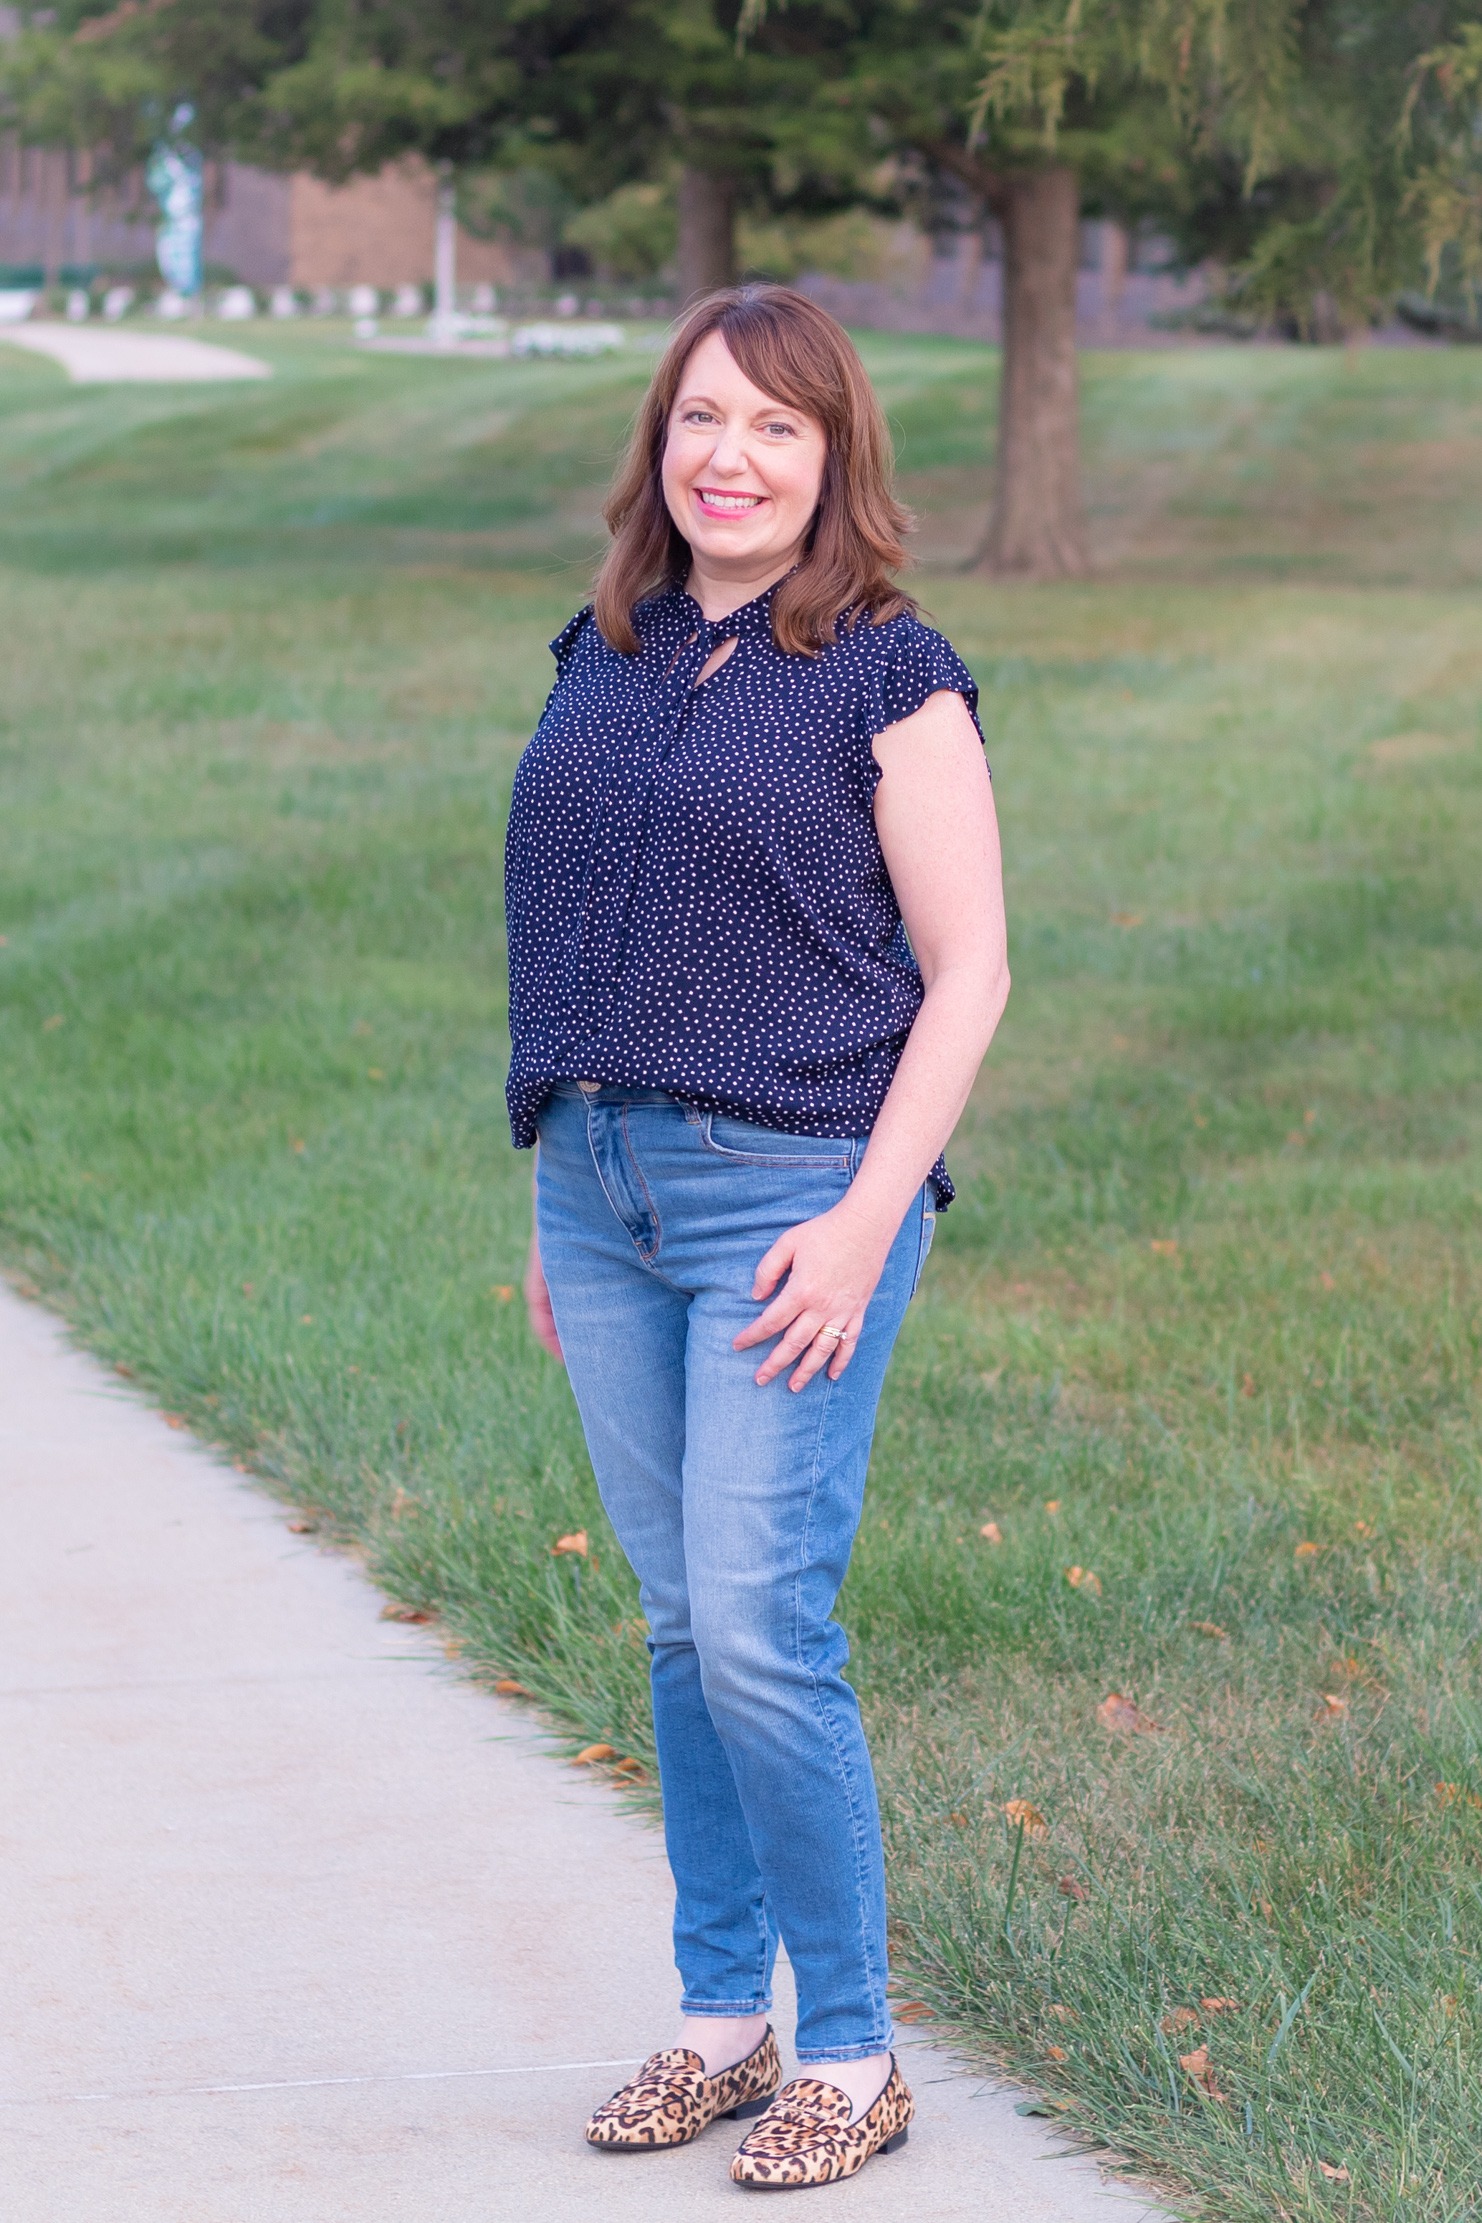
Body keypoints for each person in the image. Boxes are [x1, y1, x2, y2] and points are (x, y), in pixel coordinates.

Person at [505, 283, 1009, 2191]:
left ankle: (855, 2047)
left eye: (776, 428)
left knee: (759, 1626)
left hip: (796, 1195)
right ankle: (724, 2020)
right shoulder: (607, 648)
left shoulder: (890, 671)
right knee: (674, 1627)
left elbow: (967, 976)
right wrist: (561, 1186)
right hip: (604, 1188)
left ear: (833, 460)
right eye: (701, 418)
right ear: (660, 441)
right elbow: (565, 926)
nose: (730, 457)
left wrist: (870, 1223)